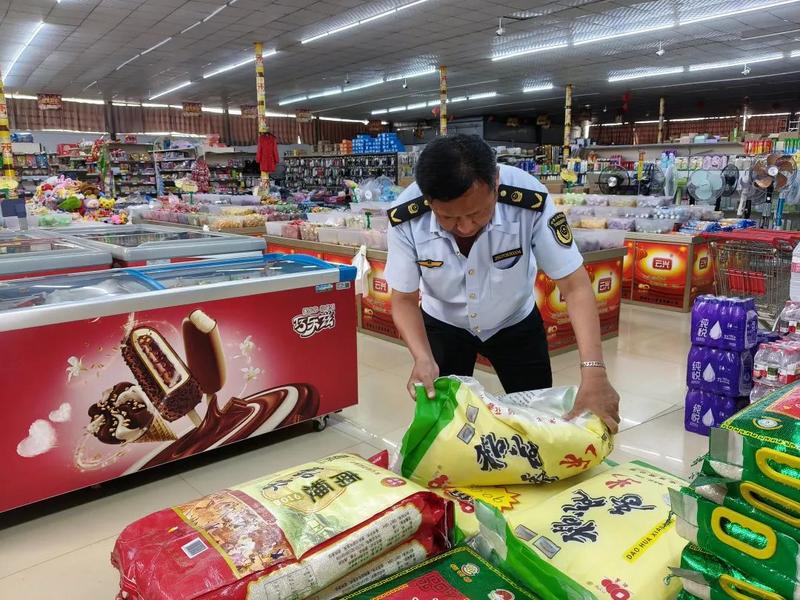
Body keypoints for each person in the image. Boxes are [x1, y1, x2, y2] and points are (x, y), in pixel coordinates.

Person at [384, 134, 620, 432]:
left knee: (537, 419)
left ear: (495, 181)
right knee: (446, 425)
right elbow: (404, 300)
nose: (465, 227)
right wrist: (422, 357)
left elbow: (575, 286)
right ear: (429, 201)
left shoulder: (529, 199)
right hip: (444, 324)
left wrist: (595, 372)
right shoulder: (405, 216)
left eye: (476, 213)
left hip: (514, 321)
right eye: (448, 217)